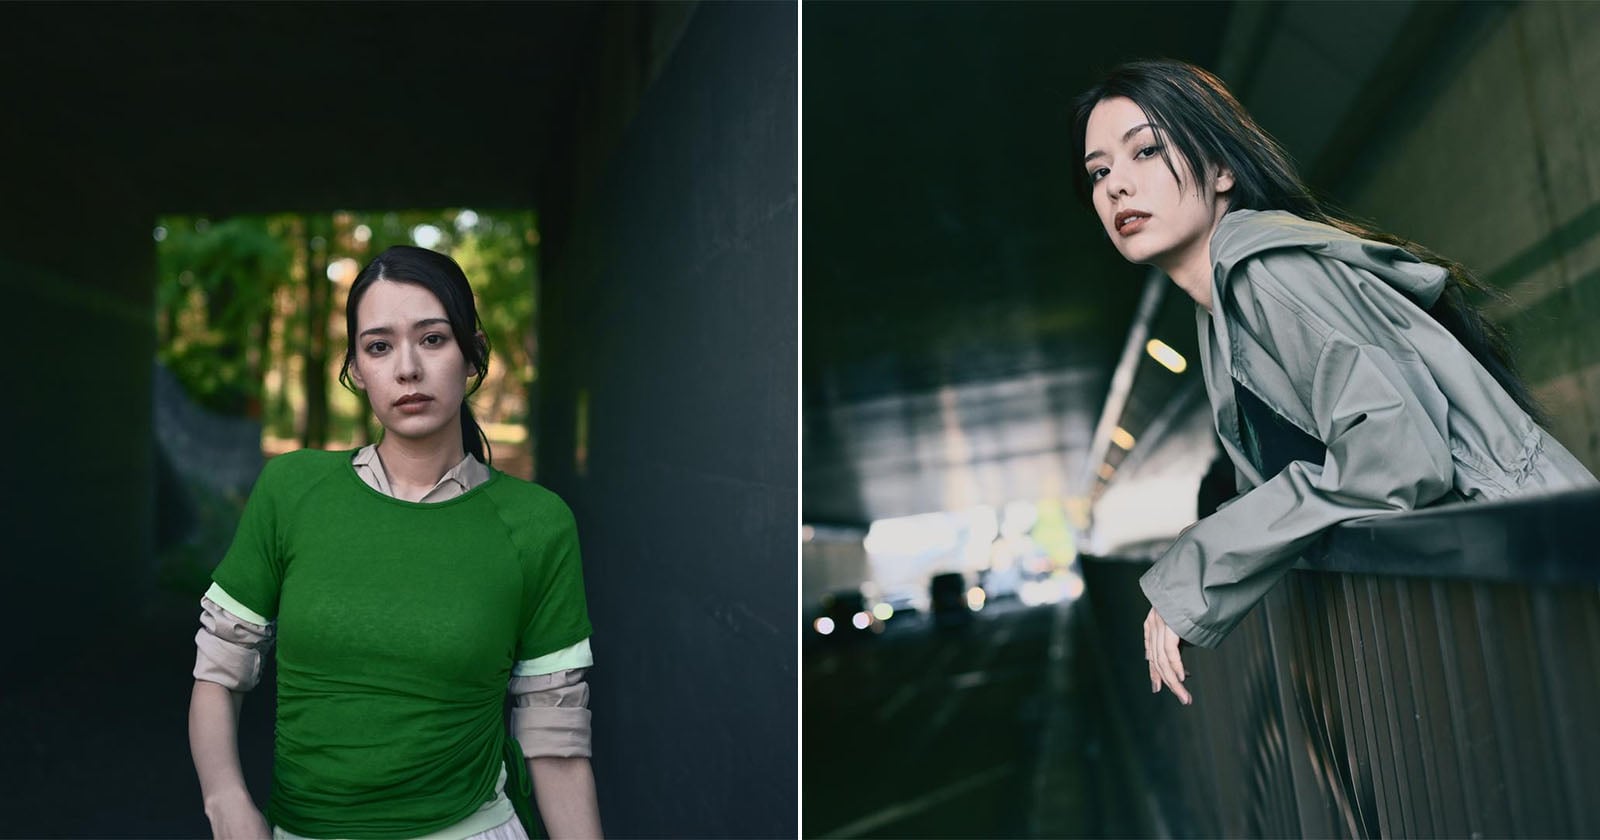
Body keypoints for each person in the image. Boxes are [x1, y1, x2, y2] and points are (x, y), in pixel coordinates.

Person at [1071, 60, 1597, 706]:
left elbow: (1399, 458)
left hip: (1554, 584)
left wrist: (1200, 565)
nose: (1117, 186)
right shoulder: (1222, 316)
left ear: (1221, 170)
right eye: (1099, 172)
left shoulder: (1270, 276)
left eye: (1145, 150)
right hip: (1527, 591)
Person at [188, 245, 603, 839]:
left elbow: (556, 743)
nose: (407, 368)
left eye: (432, 339)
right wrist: (226, 800)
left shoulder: (538, 524)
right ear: (357, 369)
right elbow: (218, 674)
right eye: (379, 346)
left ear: (472, 353)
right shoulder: (292, 491)